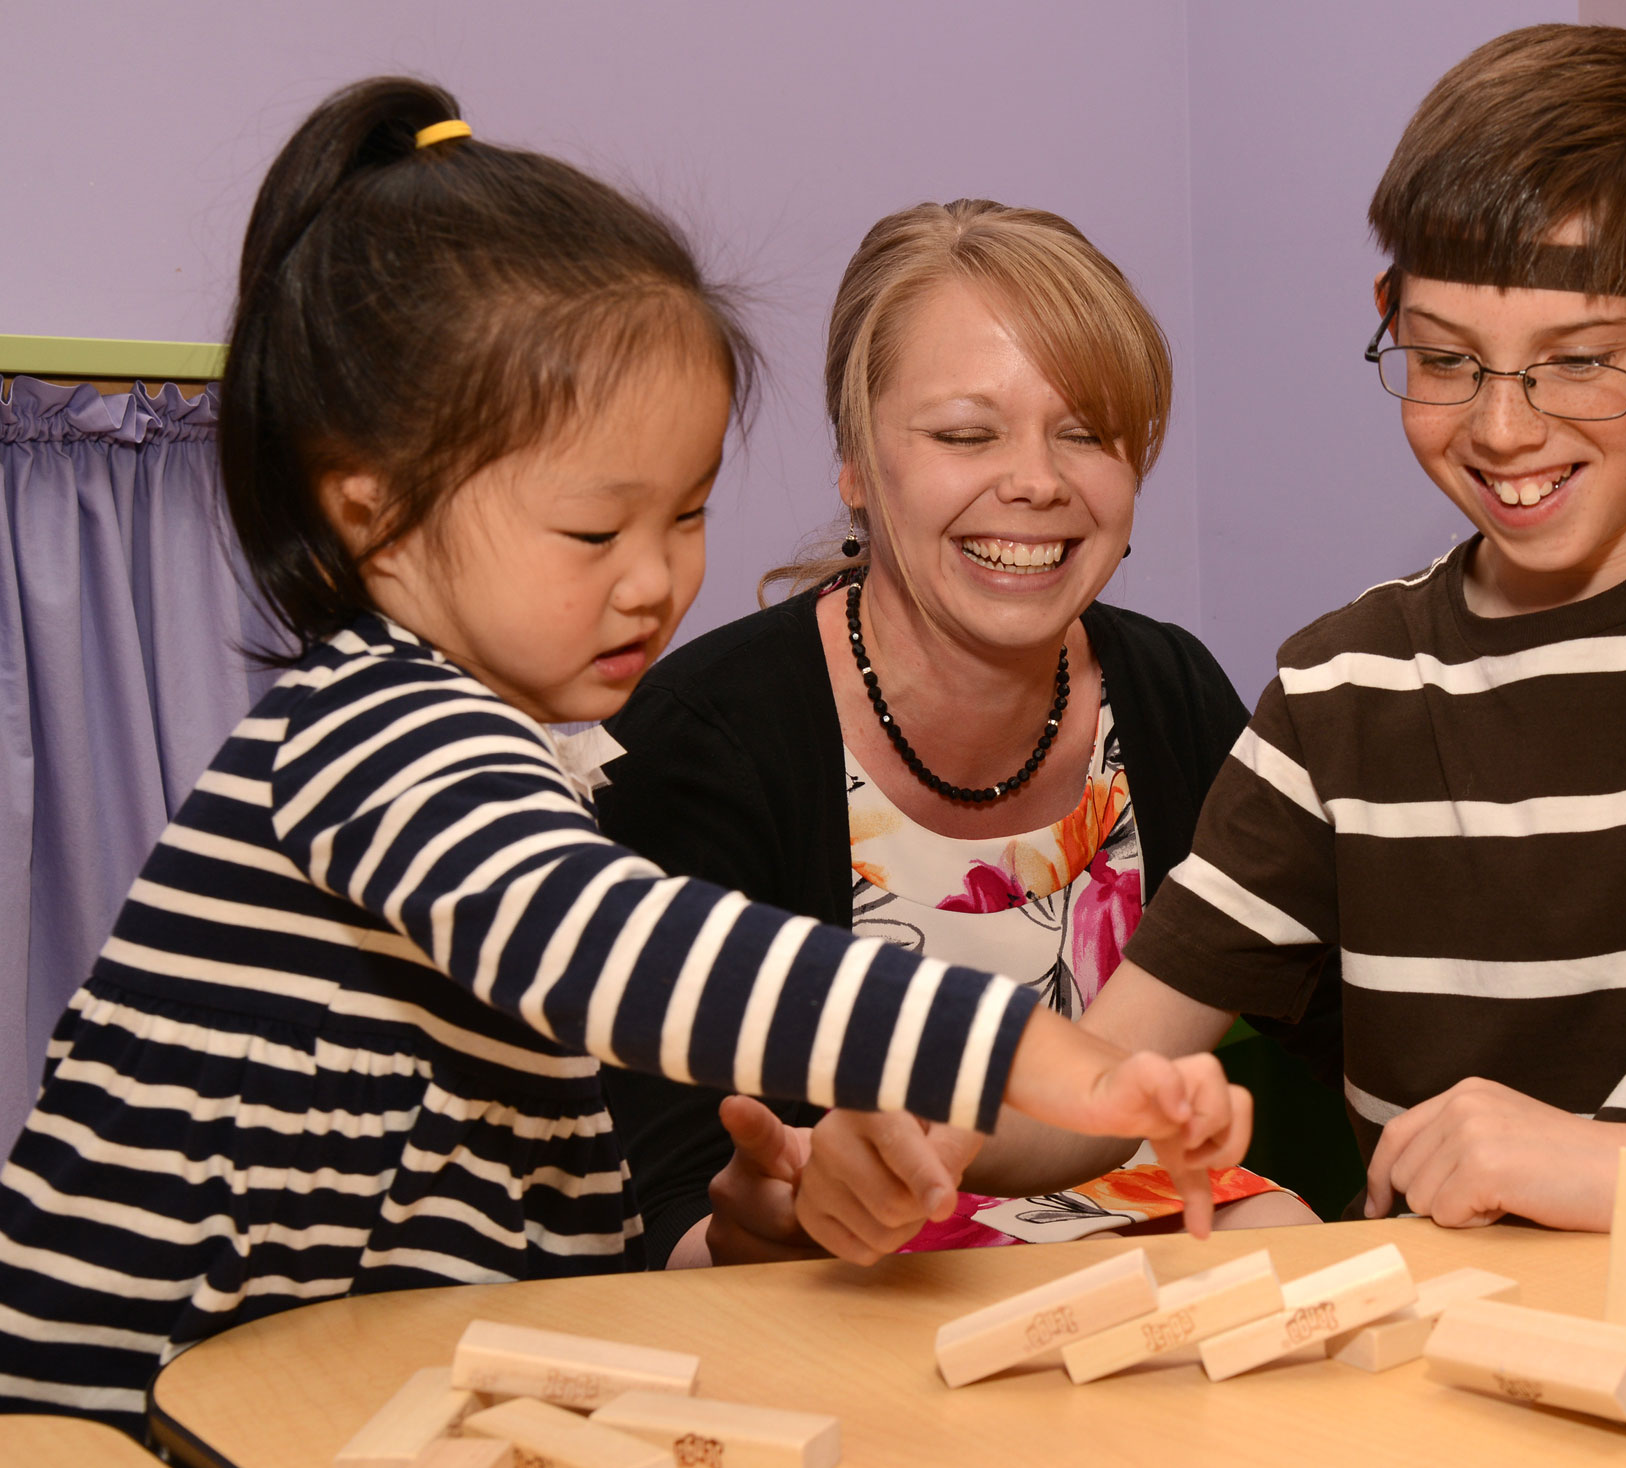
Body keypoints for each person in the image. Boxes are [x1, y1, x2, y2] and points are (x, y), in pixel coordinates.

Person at [0, 81, 1248, 1433]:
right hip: (101, 1413)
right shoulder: (375, 734)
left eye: (690, 515)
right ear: (376, 517)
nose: (656, 582)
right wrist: (1033, 1056)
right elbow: (618, 951)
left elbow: (562, 1200)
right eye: (596, 535)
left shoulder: (550, 751)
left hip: (326, 1389)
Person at [766, 23, 1626, 1261]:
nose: (1504, 428)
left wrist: (1619, 1173)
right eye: (1444, 357)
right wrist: (914, 1139)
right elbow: (1104, 1090)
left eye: (1581, 360)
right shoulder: (1344, 692)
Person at [596, 199, 1322, 1268]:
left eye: (1085, 433)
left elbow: (1340, 1027)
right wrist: (780, 1218)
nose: (1035, 480)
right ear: (855, 466)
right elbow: (666, 1222)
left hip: (1130, 1247)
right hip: (834, 1288)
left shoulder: (1172, 694)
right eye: (966, 434)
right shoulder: (701, 744)